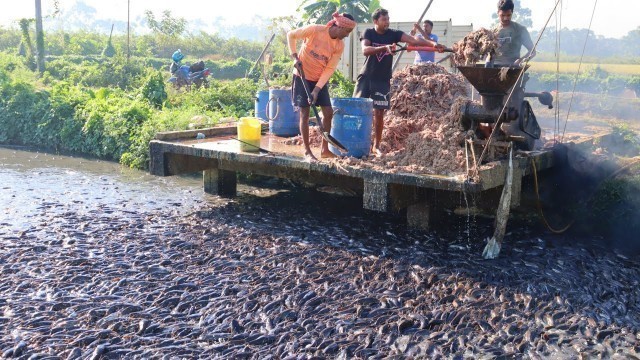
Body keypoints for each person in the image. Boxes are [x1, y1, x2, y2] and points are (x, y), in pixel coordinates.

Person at [353, 8, 444, 155]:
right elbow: (365, 50)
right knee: (357, 110)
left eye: (388, 19)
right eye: (384, 20)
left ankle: (376, 146)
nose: (387, 22)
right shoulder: (368, 32)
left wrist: (432, 44)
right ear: (375, 21)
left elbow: (414, 40)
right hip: (367, 77)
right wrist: (385, 47)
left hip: (382, 79)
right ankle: (356, 141)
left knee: (379, 113)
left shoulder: (393, 34)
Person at [287, 12, 356, 162]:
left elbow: (330, 68)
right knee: (304, 114)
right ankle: (307, 151)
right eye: (347, 32)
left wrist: (317, 89)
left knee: (328, 112)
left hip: (319, 80)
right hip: (302, 75)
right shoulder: (315, 30)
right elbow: (291, 35)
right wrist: (294, 58)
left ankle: (325, 150)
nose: (347, 35)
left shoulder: (339, 45)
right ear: (340, 26)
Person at [494, 0, 535, 66]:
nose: (505, 18)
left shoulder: (520, 30)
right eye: (502, 15)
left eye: (508, 15)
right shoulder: (492, 31)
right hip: (493, 69)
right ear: (498, 13)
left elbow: (532, 51)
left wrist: (521, 60)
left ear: (512, 13)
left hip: (513, 68)